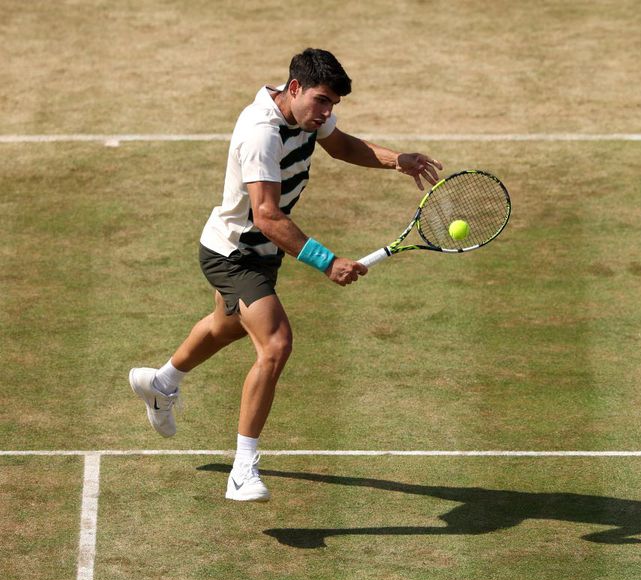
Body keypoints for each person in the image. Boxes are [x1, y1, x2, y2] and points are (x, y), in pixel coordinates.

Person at [129, 48, 442, 502]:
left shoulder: (304, 114)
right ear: (294, 88)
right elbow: (269, 216)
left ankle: (161, 383)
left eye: (333, 103)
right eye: (321, 101)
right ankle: (243, 470)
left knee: (225, 326)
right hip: (235, 255)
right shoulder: (263, 135)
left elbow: (343, 146)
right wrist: (327, 261)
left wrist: (397, 160)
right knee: (275, 344)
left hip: (258, 251)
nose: (327, 112)